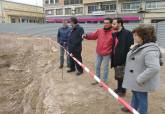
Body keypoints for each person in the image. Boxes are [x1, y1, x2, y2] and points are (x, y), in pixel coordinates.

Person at [122, 25, 163, 114]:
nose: (134, 36)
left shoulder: (150, 50)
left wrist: (140, 79)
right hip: (136, 78)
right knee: (135, 94)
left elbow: (154, 68)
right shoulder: (141, 45)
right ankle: (132, 107)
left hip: (141, 81)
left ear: (143, 36)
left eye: (136, 35)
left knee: (142, 97)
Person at [82, 18, 113, 85]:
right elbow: (93, 36)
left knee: (105, 68)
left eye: (107, 23)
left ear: (110, 24)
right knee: (97, 66)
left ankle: (104, 81)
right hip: (99, 52)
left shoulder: (113, 32)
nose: (105, 24)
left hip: (107, 53)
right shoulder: (100, 31)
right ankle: (97, 79)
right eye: (104, 23)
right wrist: (86, 36)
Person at [111, 17, 134, 96]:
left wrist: (125, 59)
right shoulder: (115, 33)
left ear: (120, 24)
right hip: (115, 58)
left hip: (123, 59)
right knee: (118, 75)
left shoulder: (127, 33)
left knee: (122, 76)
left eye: (114, 23)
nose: (112, 25)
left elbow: (130, 47)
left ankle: (122, 91)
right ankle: (119, 88)